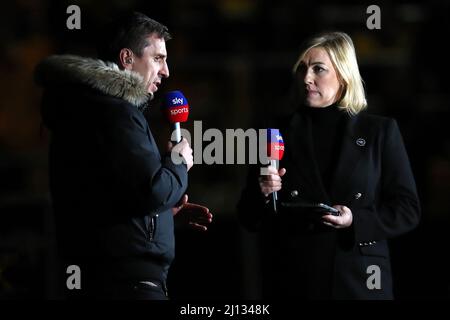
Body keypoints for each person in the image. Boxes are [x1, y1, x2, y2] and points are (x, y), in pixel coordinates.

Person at [34, 12, 212, 299]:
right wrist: (179, 163)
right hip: (128, 285)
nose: (166, 70)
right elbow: (152, 189)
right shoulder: (114, 113)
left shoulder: (88, 108)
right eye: (158, 58)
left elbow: (107, 197)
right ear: (127, 58)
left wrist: (162, 216)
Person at [237, 31, 420, 299]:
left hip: (358, 280)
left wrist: (354, 221)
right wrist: (262, 192)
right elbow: (248, 217)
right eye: (302, 69)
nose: (307, 78)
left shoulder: (379, 132)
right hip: (296, 279)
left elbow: (407, 209)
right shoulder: (276, 133)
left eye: (318, 69)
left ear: (343, 75)